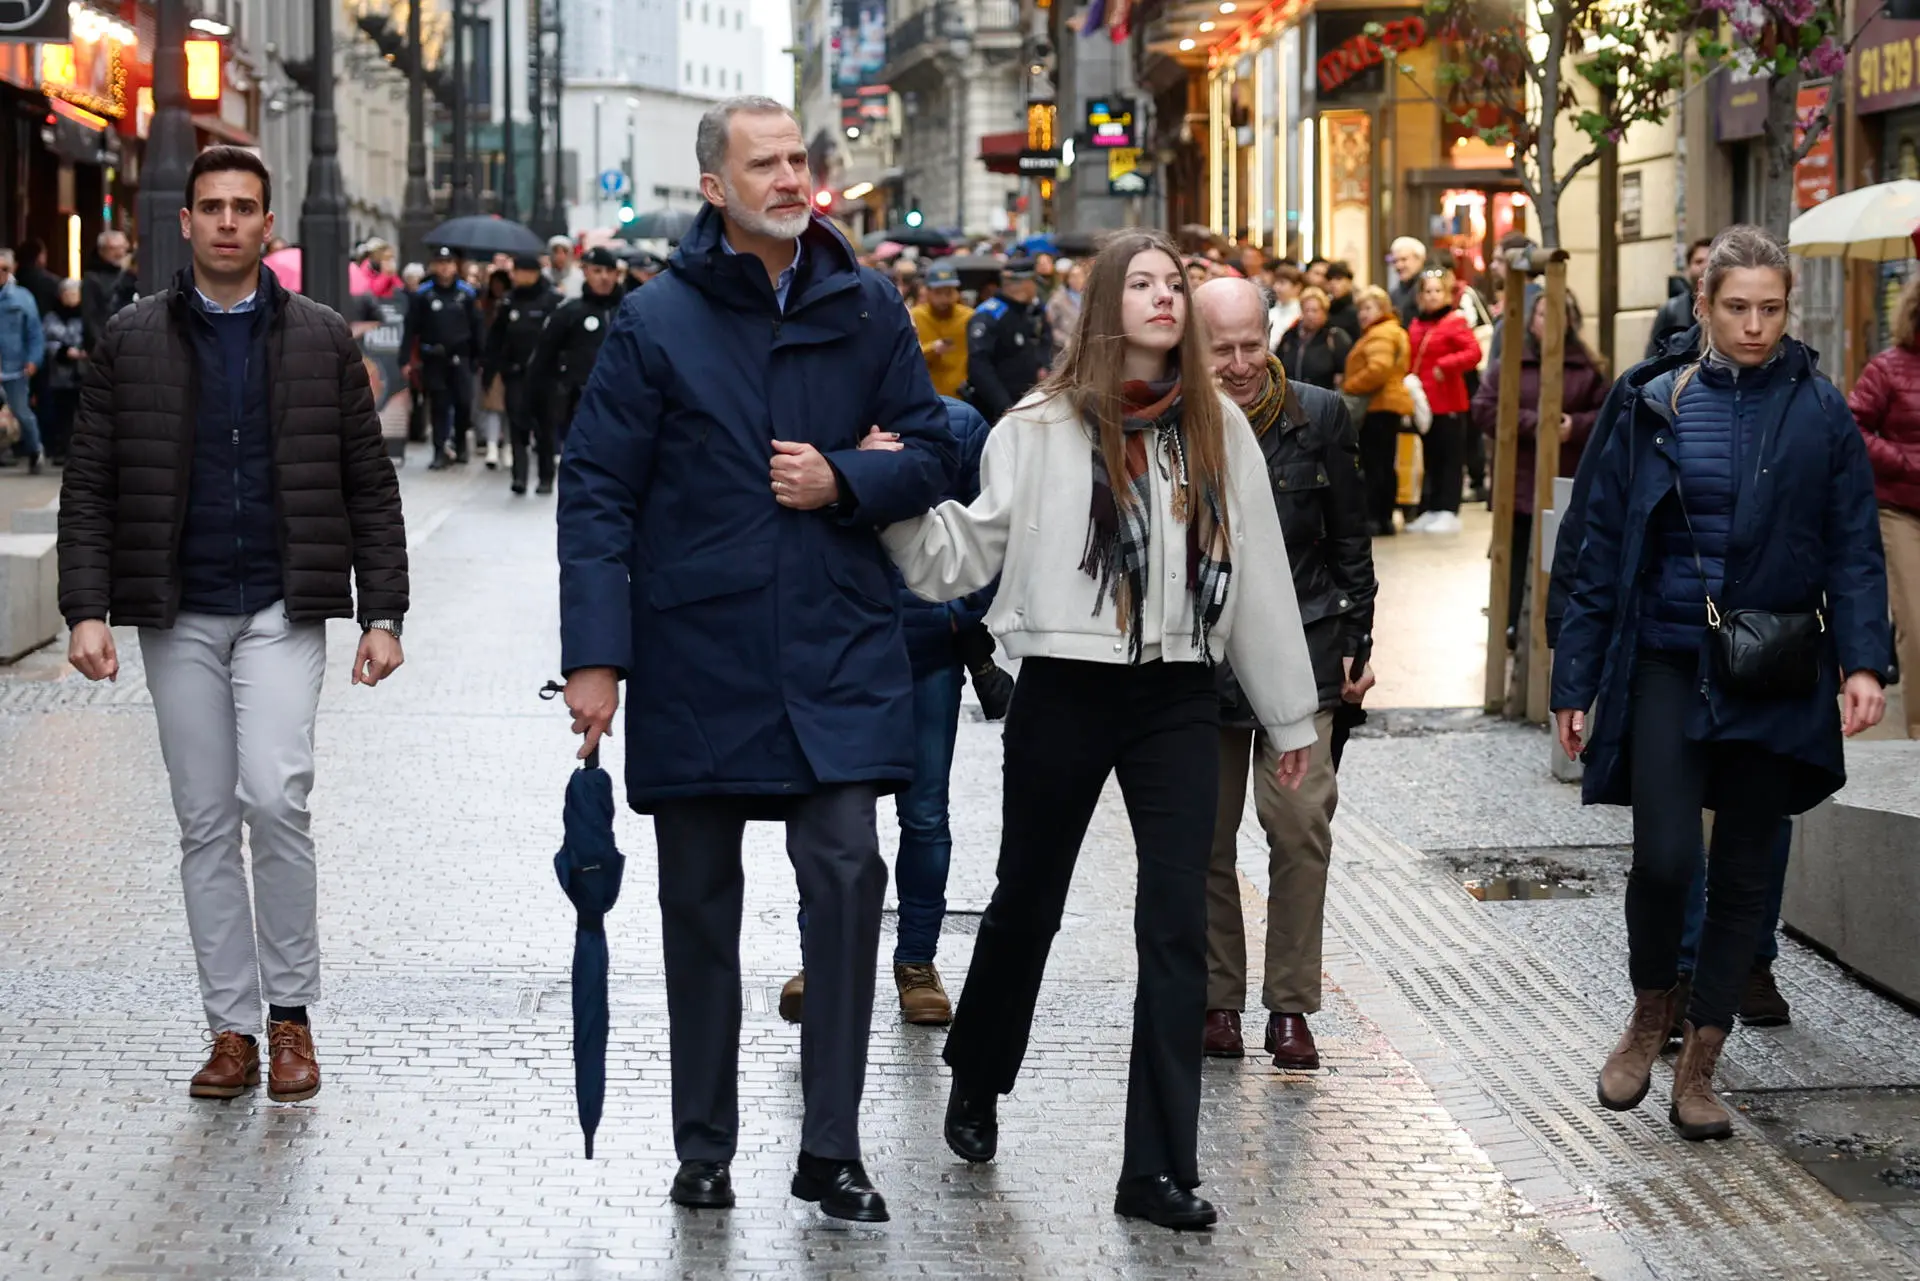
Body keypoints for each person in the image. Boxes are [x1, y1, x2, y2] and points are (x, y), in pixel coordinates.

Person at [557, 94, 956, 1224]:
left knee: (846, 879)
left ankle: (831, 1151)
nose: (790, 178)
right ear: (715, 188)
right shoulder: (655, 321)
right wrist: (598, 659)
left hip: (836, 642)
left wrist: (848, 477)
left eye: (798, 160)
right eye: (764, 164)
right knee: (699, 907)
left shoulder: (868, 306)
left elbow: (936, 446)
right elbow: (595, 493)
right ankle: (703, 1148)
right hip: (700, 652)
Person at [880, 230, 1320, 1232]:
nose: (1166, 297)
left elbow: (1255, 585)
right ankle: (978, 1073)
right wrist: (890, 503)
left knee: (1173, 928)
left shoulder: (1218, 430)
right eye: (1146, 283)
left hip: (1176, 692)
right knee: (1027, 902)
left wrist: (1290, 711)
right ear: (1107, 301)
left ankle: (1156, 1169)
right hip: (1065, 686)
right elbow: (963, 555)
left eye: (1178, 283)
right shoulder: (1037, 427)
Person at [57, 145, 408, 1107]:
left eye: (242, 207)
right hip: (178, 615)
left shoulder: (323, 337)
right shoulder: (129, 340)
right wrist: (85, 608)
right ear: (185, 222)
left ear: (267, 226)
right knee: (205, 820)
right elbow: (88, 485)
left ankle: (290, 1014)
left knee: (277, 796)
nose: (224, 221)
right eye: (208, 205)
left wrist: (383, 611)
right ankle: (232, 1028)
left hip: (280, 608)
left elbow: (367, 483)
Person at [1552, 224, 1889, 1143]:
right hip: (1665, 658)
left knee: (1747, 866)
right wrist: (1572, 676)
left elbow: (1855, 544)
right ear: (1701, 306)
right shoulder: (1650, 399)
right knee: (1665, 858)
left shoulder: (1821, 411)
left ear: (1787, 308)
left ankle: (1702, 1059)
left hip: (1775, 667)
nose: (1753, 325)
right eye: (1735, 307)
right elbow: (1598, 546)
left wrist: (1863, 662)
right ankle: (1649, 1007)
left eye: (1770, 309)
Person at [1191, 277, 1377, 1071]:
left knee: (1300, 825)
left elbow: (1351, 539)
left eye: (1250, 345)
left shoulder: (1321, 416)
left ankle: (1291, 1008)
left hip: (1302, 649)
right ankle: (1217, 1000)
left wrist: (1358, 641)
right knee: (1204, 838)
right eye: (1220, 349)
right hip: (1204, 660)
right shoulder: (1173, 417)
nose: (1238, 365)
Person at [1473, 290, 1607, 637]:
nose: (1551, 322)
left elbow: (1609, 417)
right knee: (1516, 556)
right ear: (1531, 321)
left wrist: (1573, 427)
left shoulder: (1589, 368)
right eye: (1544, 314)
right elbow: (1486, 409)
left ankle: (1561, 628)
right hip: (1518, 481)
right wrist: (1540, 424)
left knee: (1563, 559)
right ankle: (1512, 625)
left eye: (1560, 314)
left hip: (1568, 478)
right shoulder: (1510, 365)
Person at [1851, 272, 1920, 739]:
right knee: (1916, 625)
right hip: (1901, 512)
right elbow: (1850, 427)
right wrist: (1904, 461)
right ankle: (1918, 732)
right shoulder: (1888, 367)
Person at [1405, 267, 1482, 534]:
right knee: (1431, 457)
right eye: (1428, 291)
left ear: (1447, 294)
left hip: (1449, 402)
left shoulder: (1455, 321)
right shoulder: (1416, 323)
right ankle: (1432, 507)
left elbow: (1473, 353)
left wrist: (1446, 364)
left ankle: (1449, 509)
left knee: (1450, 457)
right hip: (1423, 403)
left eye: (1438, 291)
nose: (1433, 296)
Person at [528, 245, 626, 453]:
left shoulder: (627, 312)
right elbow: (544, 357)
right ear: (585, 271)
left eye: (609, 271)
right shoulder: (569, 313)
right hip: (578, 402)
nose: (604, 278)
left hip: (621, 403)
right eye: (597, 271)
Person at [483, 252, 564, 494]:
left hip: (545, 376)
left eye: (523, 272)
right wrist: (491, 370)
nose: (518, 277)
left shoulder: (552, 301)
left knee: (545, 428)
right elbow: (496, 339)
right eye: (515, 272)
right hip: (516, 374)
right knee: (517, 426)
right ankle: (519, 477)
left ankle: (546, 477)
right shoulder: (509, 302)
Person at [401, 245, 484, 471]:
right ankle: (439, 449)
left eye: (448, 263)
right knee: (439, 404)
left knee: (464, 402)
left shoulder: (466, 293)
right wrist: (404, 359)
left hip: (461, 356)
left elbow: (477, 326)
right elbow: (411, 328)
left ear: (455, 266)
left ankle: (460, 443)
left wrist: (479, 356)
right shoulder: (423, 294)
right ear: (434, 265)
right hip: (434, 356)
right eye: (440, 263)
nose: (445, 268)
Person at [1342, 285, 1413, 536]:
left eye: (1368, 308)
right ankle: (1384, 517)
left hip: (1378, 405)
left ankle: (1376, 517)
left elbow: (1378, 369)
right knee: (1383, 463)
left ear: (1382, 308)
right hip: (1386, 405)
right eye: (1360, 308)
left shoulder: (1381, 334)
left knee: (1375, 465)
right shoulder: (1386, 331)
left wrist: (1348, 386)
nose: (1362, 313)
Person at [965, 259, 1052, 423]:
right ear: (1023, 284)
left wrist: (1044, 365)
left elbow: (1044, 343)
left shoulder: (1032, 312)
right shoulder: (989, 315)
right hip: (997, 411)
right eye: (1033, 283)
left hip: (1029, 404)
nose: (1035, 289)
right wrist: (1005, 407)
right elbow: (979, 367)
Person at [0, 248, 46, 473]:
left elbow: (35, 332)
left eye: (4, 269)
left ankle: (35, 449)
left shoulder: (22, 297)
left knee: (21, 411)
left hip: (14, 366)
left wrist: (33, 360)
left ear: (12, 269)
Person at [39, 278, 88, 466]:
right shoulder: (52, 317)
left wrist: (85, 350)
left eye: (75, 293)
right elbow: (45, 340)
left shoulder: (86, 315)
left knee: (84, 412)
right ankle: (64, 449)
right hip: (60, 373)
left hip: (84, 371)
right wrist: (63, 350)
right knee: (63, 413)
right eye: (67, 293)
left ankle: (82, 451)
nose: (71, 297)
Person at [911, 261, 972, 398]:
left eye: (949, 292)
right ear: (927, 292)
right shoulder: (915, 317)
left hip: (964, 397)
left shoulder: (969, 317)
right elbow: (906, 355)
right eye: (938, 293)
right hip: (928, 397)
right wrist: (932, 349)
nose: (944, 299)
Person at [1646, 239, 1713, 361]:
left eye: (1711, 261)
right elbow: (1652, 357)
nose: (1705, 266)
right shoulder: (1671, 309)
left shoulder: (1732, 306)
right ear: (1688, 268)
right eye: (1699, 261)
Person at [1276, 286, 1352, 391]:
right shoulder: (1289, 337)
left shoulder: (1334, 337)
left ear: (1324, 312)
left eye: (1315, 310)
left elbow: (1344, 373)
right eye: (1306, 310)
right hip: (1293, 398)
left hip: (1324, 399)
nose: (1310, 315)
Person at [82, 229, 138, 352]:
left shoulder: (131, 275)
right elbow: (91, 318)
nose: (119, 253)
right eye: (114, 249)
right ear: (102, 250)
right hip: (106, 344)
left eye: (122, 248)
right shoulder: (92, 278)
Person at [1046, 258, 1085, 355]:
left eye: (1080, 276)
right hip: (1065, 350)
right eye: (1073, 276)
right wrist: (1065, 340)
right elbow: (1049, 327)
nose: (1077, 280)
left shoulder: (1090, 296)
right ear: (1067, 279)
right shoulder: (1057, 299)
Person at [1387, 236, 1427, 325]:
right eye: (1395, 261)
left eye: (1404, 259)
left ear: (1420, 259)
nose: (1398, 266)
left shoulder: (1429, 289)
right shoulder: (1394, 294)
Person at [1267, 263, 1304, 349]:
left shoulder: (1301, 314)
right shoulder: (1271, 313)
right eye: (1275, 282)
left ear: (1297, 287)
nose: (1276, 287)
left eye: (1282, 283)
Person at [1323, 262, 1361, 340]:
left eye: (1338, 279)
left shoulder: (1358, 310)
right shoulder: (1326, 308)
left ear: (1349, 282)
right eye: (1329, 279)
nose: (1333, 283)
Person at [547, 234, 583, 298]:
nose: (560, 256)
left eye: (565, 252)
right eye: (556, 252)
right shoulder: (544, 275)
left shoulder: (579, 276)